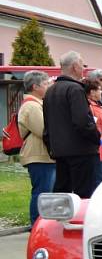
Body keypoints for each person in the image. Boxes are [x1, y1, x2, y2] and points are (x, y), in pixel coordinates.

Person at [43, 51, 101, 198]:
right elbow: (82, 121)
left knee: (62, 194)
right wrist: (96, 137)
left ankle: (61, 221)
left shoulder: (50, 91)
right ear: (75, 66)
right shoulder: (75, 89)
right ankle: (83, 221)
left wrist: (52, 147)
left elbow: (47, 126)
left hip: (60, 151)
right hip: (81, 151)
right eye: (82, 65)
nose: (84, 69)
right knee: (85, 195)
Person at [18, 71, 55, 224]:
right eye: (46, 84)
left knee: (46, 192)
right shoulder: (32, 106)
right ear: (35, 87)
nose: (48, 86)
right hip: (38, 156)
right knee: (42, 193)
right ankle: (37, 225)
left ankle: (43, 224)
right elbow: (44, 130)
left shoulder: (37, 104)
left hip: (43, 156)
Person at [85, 78, 102, 188]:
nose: (101, 92)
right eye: (99, 89)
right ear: (92, 92)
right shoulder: (90, 107)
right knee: (99, 178)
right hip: (100, 145)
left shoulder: (98, 105)